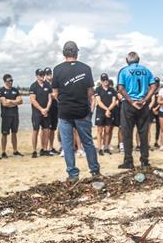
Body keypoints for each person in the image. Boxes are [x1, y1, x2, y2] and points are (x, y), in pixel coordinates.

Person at [51, 41, 100, 181]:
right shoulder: (86, 68)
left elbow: (55, 93)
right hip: (82, 111)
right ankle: (95, 171)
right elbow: (90, 92)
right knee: (88, 142)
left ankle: (73, 174)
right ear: (76, 52)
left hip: (65, 112)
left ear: (64, 53)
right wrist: (90, 110)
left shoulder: (57, 69)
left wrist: (64, 102)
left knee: (67, 144)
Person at [116, 51, 156, 169]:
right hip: (142, 104)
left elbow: (121, 88)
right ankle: (144, 160)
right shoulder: (146, 70)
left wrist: (131, 101)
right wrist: (144, 100)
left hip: (129, 104)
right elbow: (153, 86)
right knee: (143, 133)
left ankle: (128, 161)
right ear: (138, 60)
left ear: (127, 60)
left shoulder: (124, 71)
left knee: (127, 133)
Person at [0, 74, 23, 158]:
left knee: (14, 133)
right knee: (4, 134)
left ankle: (15, 151)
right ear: (5, 81)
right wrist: (14, 102)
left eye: (12, 80)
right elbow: (4, 103)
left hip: (15, 115)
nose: (11, 82)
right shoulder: (1, 90)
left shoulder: (15, 90)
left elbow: (20, 101)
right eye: (9, 81)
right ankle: (3, 152)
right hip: (6, 116)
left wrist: (10, 101)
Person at [28, 68, 51, 158]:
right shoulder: (33, 86)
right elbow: (32, 100)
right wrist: (41, 109)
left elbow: (49, 99)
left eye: (43, 75)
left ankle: (44, 149)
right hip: (37, 113)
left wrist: (47, 109)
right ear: (37, 76)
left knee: (46, 131)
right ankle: (34, 150)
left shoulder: (47, 85)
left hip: (46, 112)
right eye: (41, 75)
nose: (43, 76)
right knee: (35, 131)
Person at [94, 73, 118, 155]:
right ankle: (99, 148)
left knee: (107, 131)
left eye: (106, 80)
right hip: (100, 112)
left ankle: (106, 147)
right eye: (103, 80)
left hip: (110, 112)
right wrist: (107, 109)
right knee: (99, 131)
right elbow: (99, 101)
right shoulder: (98, 89)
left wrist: (108, 110)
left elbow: (114, 102)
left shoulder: (112, 90)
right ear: (101, 81)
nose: (105, 81)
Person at [44, 67, 59, 155]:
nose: (49, 75)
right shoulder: (43, 84)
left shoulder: (55, 83)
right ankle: (44, 147)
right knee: (45, 129)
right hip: (46, 109)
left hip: (55, 108)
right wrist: (52, 95)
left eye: (50, 73)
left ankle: (51, 146)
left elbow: (56, 94)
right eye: (47, 74)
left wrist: (52, 95)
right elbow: (49, 96)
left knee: (53, 129)